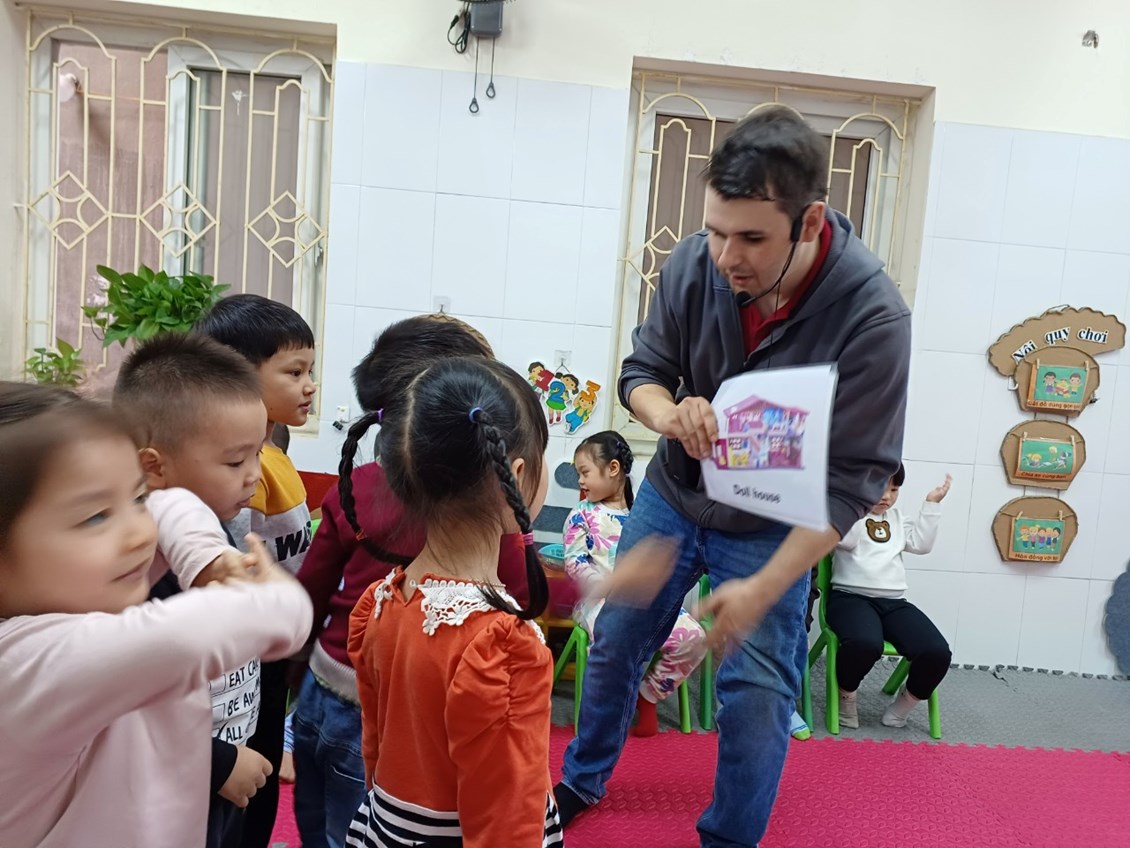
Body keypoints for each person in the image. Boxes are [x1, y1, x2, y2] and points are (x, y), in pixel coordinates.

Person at [556, 105, 912, 847]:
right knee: (617, 638)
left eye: (750, 238)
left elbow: (852, 484)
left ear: (809, 222)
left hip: (777, 524)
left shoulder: (873, 317)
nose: (724, 257)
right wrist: (667, 415)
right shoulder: (694, 264)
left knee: (757, 691)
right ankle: (581, 780)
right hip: (676, 493)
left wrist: (765, 584)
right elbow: (642, 373)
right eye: (716, 231)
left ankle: (728, 838)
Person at [0, 382, 312, 848]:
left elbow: (171, 502)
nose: (138, 533)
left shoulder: (75, 591)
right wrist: (277, 598)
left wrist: (207, 557)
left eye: (137, 498)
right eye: (95, 517)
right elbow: (218, 628)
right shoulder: (28, 661)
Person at [292, 313, 532, 847]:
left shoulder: (356, 487)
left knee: (322, 826)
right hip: (395, 721)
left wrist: (294, 671)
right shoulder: (485, 522)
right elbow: (521, 597)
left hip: (321, 690)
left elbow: (310, 592)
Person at [345, 358, 562, 847]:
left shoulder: (380, 601)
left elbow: (375, 747)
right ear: (515, 476)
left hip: (386, 828)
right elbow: (507, 824)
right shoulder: (501, 644)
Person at [114, 333, 278, 847]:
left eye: (258, 453)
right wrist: (218, 762)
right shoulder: (138, 567)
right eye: (235, 462)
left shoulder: (213, 527)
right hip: (176, 784)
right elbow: (126, 703)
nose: (254, 476)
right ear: (154, 466)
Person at [195, 293, 317, 848]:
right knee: (245, 777)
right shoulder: (244, 472)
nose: (309, 386)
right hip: (248, 651)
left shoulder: (275, 455)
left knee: (262, 766)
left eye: (310, 371)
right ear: (240, 375)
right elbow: (233, 561)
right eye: (294, 372)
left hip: (275, 647)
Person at [565, 430, 706, 737]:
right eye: (579, 474)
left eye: (585, 472)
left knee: (695, 637)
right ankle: (604, 714)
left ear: (613, 468)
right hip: (598, 601)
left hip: (645, 601)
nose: (580, 481)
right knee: (613, 637)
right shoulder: (581, 515)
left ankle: (647, 697)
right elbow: (575, 563)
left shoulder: (641, 516)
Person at [830, 465, 953, 729]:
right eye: (877, 488)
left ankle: (903, 706)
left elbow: (921, 545)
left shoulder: (897, 519)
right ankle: (846, 696)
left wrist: (931, 504)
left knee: (937, 652)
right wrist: (856, 502)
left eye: (894, 489)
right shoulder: (849, 515)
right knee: (864, 644)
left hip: (894, 602)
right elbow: (846, 541)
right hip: (850, 598)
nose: (886, 496)